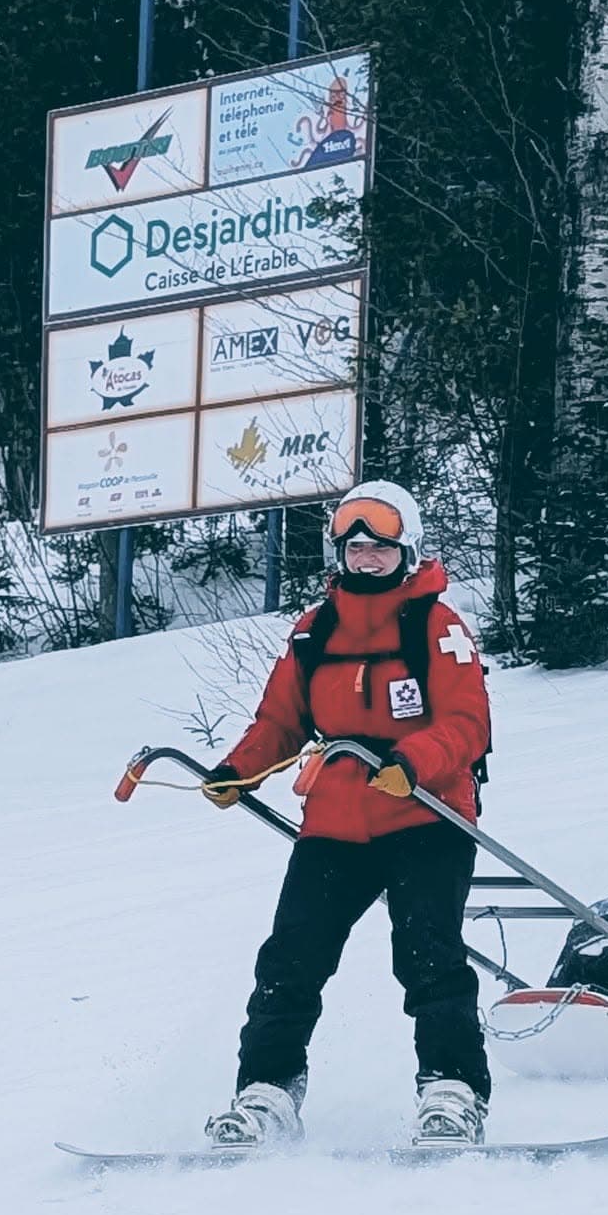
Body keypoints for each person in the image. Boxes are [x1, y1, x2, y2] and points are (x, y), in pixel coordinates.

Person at [200, 480, 494, 1149]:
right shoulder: (314, 630)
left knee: (428, 955)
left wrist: (414, 762)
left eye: (379, 550)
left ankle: (453, 1092)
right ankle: (266, 1094)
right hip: (337, 818)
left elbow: (466, 723)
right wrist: (235, 770)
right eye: (353, 548)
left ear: (407, 551)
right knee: (291, 958)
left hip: (426, 811)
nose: (364, 560)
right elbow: (280, 720)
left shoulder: (436, 625)